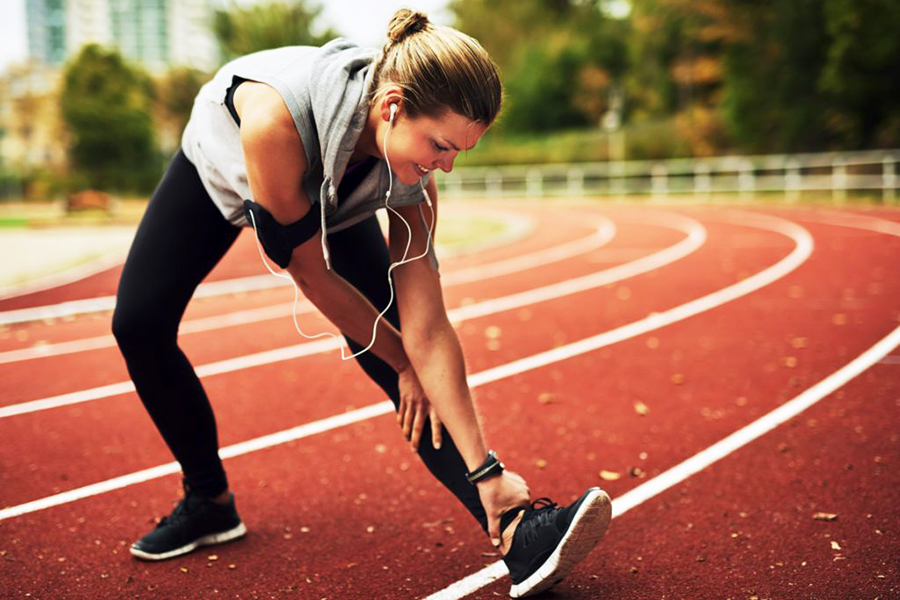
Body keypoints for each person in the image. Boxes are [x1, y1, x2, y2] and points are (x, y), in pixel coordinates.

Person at [111, 9, 610, 598]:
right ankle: (208, 499)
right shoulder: (275, 122)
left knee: (402, 349)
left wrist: (485, 463)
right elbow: (312, 274)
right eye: (442, 146)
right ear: (393, 106)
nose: (445, 166)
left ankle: (518, 528)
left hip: (339, 186)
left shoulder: (412, 179)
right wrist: (402, 362)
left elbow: (428, 325)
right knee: (138, 324)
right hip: (220, 171)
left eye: (459, 154)